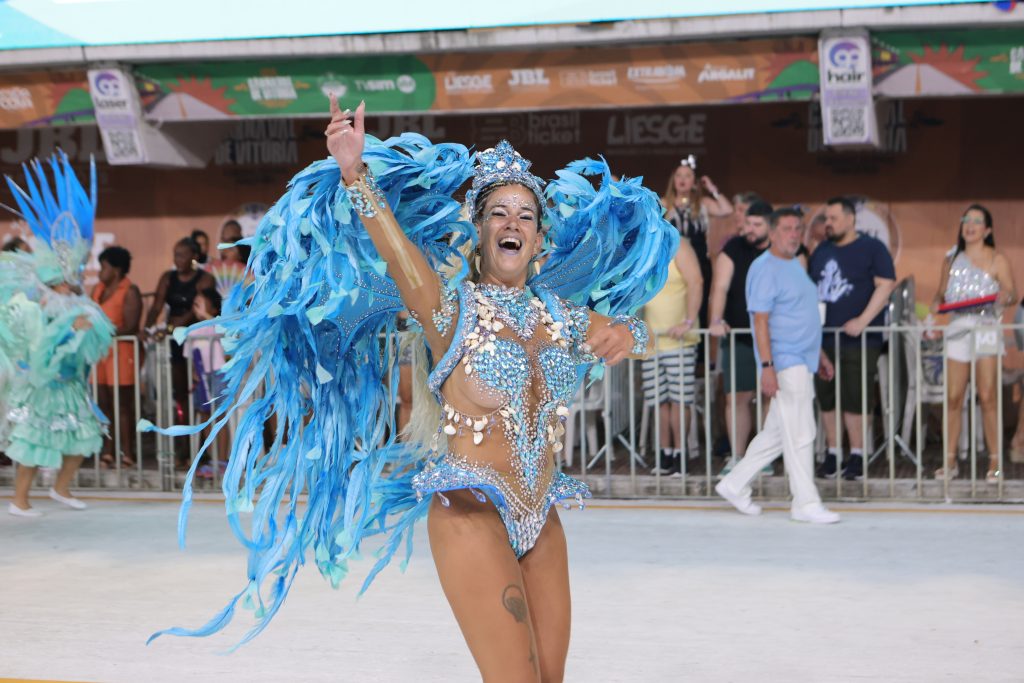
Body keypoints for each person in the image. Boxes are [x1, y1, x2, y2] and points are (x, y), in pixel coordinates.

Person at [141, 99, 676, 681]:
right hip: (470, 512)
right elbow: (397, 255)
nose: (513, 224)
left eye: (526, 215)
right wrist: (354, 172)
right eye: (499, 213)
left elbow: (642, 334)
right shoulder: (452, 313)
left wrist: (630, 332)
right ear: (479, 230)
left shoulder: (561, 319)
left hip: (541, 516)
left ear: (539, 237)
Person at [1, 154, 115, 517]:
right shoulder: (40, 304)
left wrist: (82, 333)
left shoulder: (79, 302)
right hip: (45, 384)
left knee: (84, 438)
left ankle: (61, 489)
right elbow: (42, 344)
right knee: (35, 441)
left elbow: (92, 343)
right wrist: (71, 331)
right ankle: (19, 500)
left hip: (70, 386)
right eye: (73, 269)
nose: (78, 274)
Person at [716, 208, 840, 524]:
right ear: (773, 233)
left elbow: (804, 316)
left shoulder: (795, 265)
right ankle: (805, 502)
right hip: (785, 360)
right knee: (800, 432)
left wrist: (820, 356)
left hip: (802, 358)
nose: (794, 233)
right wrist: (767, 366)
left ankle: (733, 483)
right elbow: (760, 320)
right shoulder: (765, 268)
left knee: (776, 434)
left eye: (798, 228)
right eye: (787, 228)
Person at [810, 196, 896, 482]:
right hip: (824, 339)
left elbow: (886, 285)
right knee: (827, 397)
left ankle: (857, 454)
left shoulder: (872, 248)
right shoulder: (821, 251)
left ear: (850, 219)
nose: (828, 224)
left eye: (834, 218)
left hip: (860, 340)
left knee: (855, 397)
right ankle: (833, 453)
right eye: (826, 219)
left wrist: (862, 321)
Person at [930, 205, 1017, 482]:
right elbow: (940, 295)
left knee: (988, 396)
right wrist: (932, 315)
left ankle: (995, 463)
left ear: (987, 230)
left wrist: (1004, 297)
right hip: (957, 327)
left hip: (987, 327)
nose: (970, 225)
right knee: (954, 397)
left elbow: (1012, 294)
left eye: (977, 221)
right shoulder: (951, 258)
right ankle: (950, 462)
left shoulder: (998, 259)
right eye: (966, 219)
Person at [709, 201, 774, 476]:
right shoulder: (733, 248)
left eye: (757, 225)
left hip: (774, 338)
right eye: (747, 223)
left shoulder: (781, 250)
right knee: (737, 397)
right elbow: (720, 286)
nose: (749, 229)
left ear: (770, 225)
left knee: (770, 396)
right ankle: (736, 456)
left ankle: (764, 457)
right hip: (739, 334)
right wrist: (715, 320)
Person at [143, 237, 215, 444]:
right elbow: (156, 306)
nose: (178, 259)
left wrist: (173, 328)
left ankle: (203, 445)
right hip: (174, 340)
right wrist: (148, 328)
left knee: (201, 393)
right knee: (180, 392)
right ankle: (183, 445)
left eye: (182, 255)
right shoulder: (168, 277)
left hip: (198, 339)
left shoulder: (205, 278)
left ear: (194, 256)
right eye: (175, 254)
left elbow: (197, 309)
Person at [641, 237, 703, 476]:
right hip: (653, 340)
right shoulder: (645, 245)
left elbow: (696, 282)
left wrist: (688, 321)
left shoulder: (679, 245)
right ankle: (665, 453)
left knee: (680, 400)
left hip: (679, 340)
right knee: (659, 401)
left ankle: (681, 454)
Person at [661, 156, 733, 337]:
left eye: (687, 175)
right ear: (673, 180)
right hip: (673, 260)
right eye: (679, 175)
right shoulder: (664, 204)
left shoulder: (703, 203)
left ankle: (698, 348)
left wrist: (712, 189)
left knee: (699, 299)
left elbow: (727, 210)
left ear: (694, 182)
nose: (682, 179)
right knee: (675, 297)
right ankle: (674, 332)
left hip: (700, 258)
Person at [91, 246, 142, 469]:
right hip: (100, 354)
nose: (100, 272)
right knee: (103, 404)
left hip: (121, 353)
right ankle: (108, 449)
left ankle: (127, 452)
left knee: (122, 404)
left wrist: (102, 331)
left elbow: (130, 326)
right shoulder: (97, 289)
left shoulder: (130, 290)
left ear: (117, 269)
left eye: (103, 267)